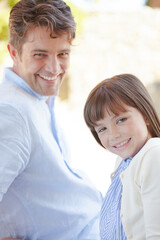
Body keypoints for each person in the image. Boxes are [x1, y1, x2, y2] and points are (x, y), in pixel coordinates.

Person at [0, 0, 103, 239]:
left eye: (63, 54)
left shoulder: (36, 96)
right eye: (40, 54)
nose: (54, 67)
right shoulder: (11, 112)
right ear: (14, 53)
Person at [84, 73, 160, 240]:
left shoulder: (153, 155)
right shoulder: (125, 160)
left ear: (145, 114)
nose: (114, 135)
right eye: (102, 129)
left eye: (121, 120)